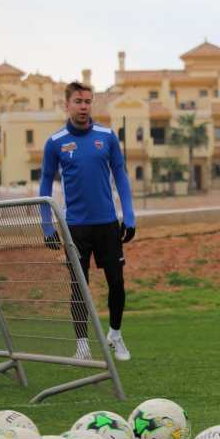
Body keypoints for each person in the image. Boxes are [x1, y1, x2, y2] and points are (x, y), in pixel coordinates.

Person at [39, 82, 136, 362]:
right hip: (76, 228)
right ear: (66, 105)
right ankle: (81, 344)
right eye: (78, 101)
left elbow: (120, 175)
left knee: (116, 282)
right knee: (79, 286)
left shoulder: (106, 137)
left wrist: (128, 216)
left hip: (107, 224)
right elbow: (45, 184)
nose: (84, 106)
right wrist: (47, 226)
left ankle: (115, 336)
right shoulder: (55, 142)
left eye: (88, 101)